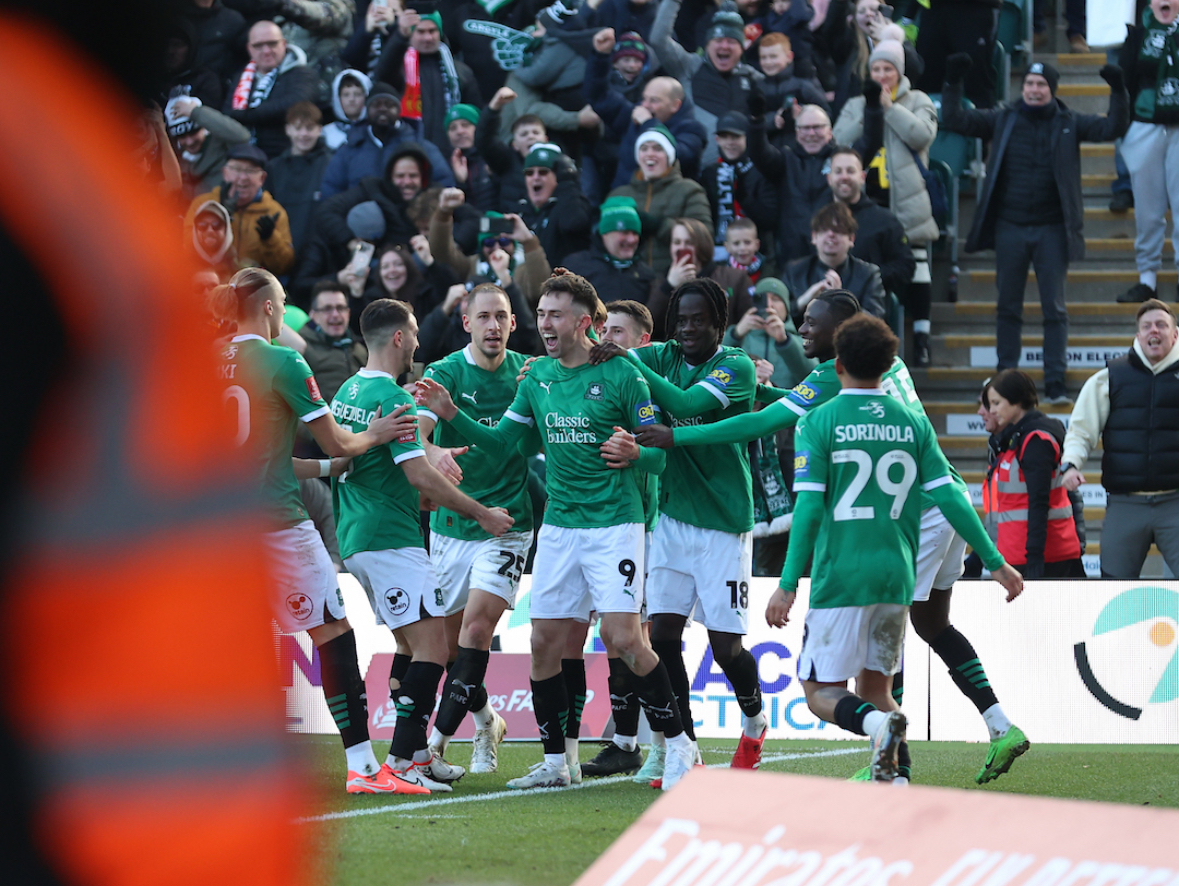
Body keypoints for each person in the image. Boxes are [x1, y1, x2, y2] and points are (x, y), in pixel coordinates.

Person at [642, 289, 1032, 784]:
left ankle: (888, 751)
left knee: (845, 680)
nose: (801, 329)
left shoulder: (823, 413)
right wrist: (995, 560)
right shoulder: (898, 387)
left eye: (811, 322)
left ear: (842, 345)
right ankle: (993, 727)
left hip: (878, 539)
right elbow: (806, 403)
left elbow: (778, 447)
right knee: (931, 626)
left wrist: (678, 435)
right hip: (941, 506)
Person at [415, 270, 699, 792]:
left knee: (622, 638)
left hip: (614, 525)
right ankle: (556, 763)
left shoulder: (622, 374)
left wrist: (637, 453)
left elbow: (660, 457)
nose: (545, 324)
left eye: (556, 315)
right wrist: (451, 413)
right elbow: (506, 444)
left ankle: (680, 745)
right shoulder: (537, 377)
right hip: (560, 528)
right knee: (543, 642)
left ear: (584, 322)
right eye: (541, 314)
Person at [766, 313, 1023, 782]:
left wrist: (787, 583)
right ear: (888, 367)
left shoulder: (818, 422)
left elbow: (808, 510)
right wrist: (996, 562)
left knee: (820, 692)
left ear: (837, 365)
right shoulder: (913, 423)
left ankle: (878, 729)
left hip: (842, 576)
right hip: (896, 575)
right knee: (877, 689)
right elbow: (952, 496)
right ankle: (897, 778)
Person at [208, 267, 420, 795]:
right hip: (276, 526)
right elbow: (340, 443)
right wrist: (375, 433)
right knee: (333, 634)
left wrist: (328, 470)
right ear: (268, 307)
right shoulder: (283, 361)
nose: (284, 311)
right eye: (282, 301)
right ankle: (364, 768)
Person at [331, 297, 515, 792]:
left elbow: (355, 463)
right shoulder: (393, 399)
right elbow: (419, 475)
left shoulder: (348, 389)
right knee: (435, 648)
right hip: (390, 538)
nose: (417, 341)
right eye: (413, 332)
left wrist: (428, 461)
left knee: (410, 644)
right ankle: (402, 762)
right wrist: (480, 512)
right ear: (398, 338)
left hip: (357, 535)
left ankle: (416, 756)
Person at [589, 278, 771, 771]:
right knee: (663, 636)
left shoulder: (734, 366)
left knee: (725, 648)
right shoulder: (662, 355)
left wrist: (628, 360)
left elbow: (687, 405)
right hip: (670, 518)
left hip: (723, 521)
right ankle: (681, 747)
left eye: (699, 320)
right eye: (681, 320)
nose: (688, 328)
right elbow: (614, 361)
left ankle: (755, 719)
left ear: (719, 324)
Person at [941, 55, 1129, 403]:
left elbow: (1112, 128)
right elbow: (954, 119)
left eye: (1041, 84)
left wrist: (1119, 89)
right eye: (1029, 83)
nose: (1034, 89)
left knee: (1054, 309)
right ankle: (1005, 379)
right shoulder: (1003, 118)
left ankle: (1055, 381)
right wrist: (953, 82)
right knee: (1007, 307)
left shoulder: (1070, 121)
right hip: (1010, 227)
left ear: (1052, 90)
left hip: (1052, 229)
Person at [417, 284, 539, 774]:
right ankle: (488, 720)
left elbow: (524, 442)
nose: (493, 325)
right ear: (466, 323)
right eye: (483, 317)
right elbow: (417, 433)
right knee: (449, 648)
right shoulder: (445, 372)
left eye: (501, 317)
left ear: (513, 323)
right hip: (451, 524)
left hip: (507, 523)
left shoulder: (529, 373)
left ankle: (434, 746)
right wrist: (433, 452)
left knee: (477, 629)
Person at [833, 40, 938, 365]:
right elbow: (838, 140)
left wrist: (889, 108)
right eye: (876, 69)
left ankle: (921, 336)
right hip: (865, 201)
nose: (881, 75)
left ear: (899, 72)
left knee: (916, 266)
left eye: (888, 69)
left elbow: (922, 135)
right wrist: (870, 109)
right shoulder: (855, 103)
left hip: (905, 198)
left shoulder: (918, 100)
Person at [1061, 299, 1179, 578]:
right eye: (1147, 326)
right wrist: (1071, 464)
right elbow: (1081, 430)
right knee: (1113, 586)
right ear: (1138, 335)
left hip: (1175, 501)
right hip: (1126, 503)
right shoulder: (1109, 378)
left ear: (1175, 334)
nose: (1154, 331)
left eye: (1161, 325)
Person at [985, 370, 1084, 579]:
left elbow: (1039, 501)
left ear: (1016, 401)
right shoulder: (1014, 438)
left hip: (1045, 559)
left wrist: (1035, 556)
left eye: (996, 403)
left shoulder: (1036, 441)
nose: (991, 410)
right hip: (1018, 554)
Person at [1117, 0, 1179, 305]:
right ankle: (1147, 280)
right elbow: (1126, 80)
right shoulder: (1137, 33)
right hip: (1144, 125)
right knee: (1147, 210)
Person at [319, 82, 455, 199]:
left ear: (399, 110)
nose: (383, 109)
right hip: (361, 219)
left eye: (389, 105)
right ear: (367, 110)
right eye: (376, 105)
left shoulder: (421, 146)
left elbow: (443, 183)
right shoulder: (349, 149)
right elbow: (331, 189)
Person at [608, 127, 713, 278]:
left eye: (658, 149)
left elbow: (704, 237)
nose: (650, 153)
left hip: (673, 278)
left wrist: (659, 226)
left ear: (669, 156)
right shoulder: (619, 194)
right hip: (629, 280)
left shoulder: (689, 190)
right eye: (644, 149)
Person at [375, 9, 481, 156]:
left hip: (451, 155)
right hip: (408, 152)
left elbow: (475, 115)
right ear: (411, 33)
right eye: (421, 32)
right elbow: (382, 75)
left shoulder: (460, 72)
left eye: (432, 31)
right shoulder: (398, 68)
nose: (427, 37)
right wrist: (400, 36)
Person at [650, 1, 764, 138]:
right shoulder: (689, 66)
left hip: (741, 151)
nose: (724, 46)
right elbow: (658, 40)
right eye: (718, 40)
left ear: (741, 49)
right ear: (707, 45)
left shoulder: (752, 77)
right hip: (695, 150)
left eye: (731, 41)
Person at [182, 143, 295, 276]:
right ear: (225, 173)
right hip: (211, 282)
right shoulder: (203, 204)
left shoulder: (273, 211)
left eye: (250, 171)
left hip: (252, 284)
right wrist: (221, 218)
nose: (243, 177)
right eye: (236, 169)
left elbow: (284, 267)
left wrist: (270, 239)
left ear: (262, 178)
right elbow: (187, 251)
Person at [747, 101, 838, 264]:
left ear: (829, 132)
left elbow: (868, 143)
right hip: (792, 255)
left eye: (817, 127)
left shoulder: (840, 160)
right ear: (796, 133)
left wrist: (873, 109)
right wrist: (757, 121)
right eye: (805, 128)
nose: (811, 133)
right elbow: (759, 153)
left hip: (833, 250)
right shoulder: (785, 160)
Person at [826, 144, 915, 307]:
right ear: (829, 178)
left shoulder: (884, 220)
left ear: (862, 177)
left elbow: (905, 267)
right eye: (838, 171)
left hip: (869, 309)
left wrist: (865, 278)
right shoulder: (817, 218)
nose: (844, 177)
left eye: (850, 171)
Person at [222, 21, 319, 159]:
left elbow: (296, 103)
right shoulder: (241, 78)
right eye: (258, 46)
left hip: (285, 157)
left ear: (284, 44)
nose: (266, 51)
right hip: (244, 156)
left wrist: (247, 115)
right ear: (249, 49)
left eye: (272, 44)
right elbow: (228, 112)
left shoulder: (301, 73)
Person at [648, 217, 756, 340]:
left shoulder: (734, 278)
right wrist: (668, 286)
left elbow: (750, 323)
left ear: (702, 245)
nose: (682, 248)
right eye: (677, 242)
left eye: (689, 243)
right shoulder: (660, 281)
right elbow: (647, 327)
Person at [782, 202, 886, 323]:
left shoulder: (868, 274)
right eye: (824, 230)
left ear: (851, 239)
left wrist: (842, 302)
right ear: (814, 237)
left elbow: (875, 321)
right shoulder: (794, 271)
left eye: (838, 230)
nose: (831, 234)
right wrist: (803, 301)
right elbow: (778, 314)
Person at [700, 112, 778, 261]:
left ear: (747, 138)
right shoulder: (709, 174)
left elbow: (770, 219)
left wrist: (745, 199)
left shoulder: (761, 171)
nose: (730, 142)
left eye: (735, 137)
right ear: (717, 140)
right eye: (724, 137)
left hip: (757, 256)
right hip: (718, 254)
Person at [563, 197, 663, 310]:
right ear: (605, 233)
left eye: (635, 233)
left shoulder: (646, 274)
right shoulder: (576, 266)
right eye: (624, 232)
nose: (631, 240)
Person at [612, 75, 709, 187]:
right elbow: (602, 98)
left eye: (654, 100)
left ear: (675, 105)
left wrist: (649, 124)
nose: (645, 105)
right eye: (644, 98)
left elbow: (678, 156)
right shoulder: (636, 116)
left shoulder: (693, 129)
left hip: (669, 195)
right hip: (624, 193)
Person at [265, 101, 332, 257]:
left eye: (309, 128)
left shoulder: (330, 164)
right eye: (298, 128)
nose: (303, 134)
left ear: (319, 130)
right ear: (288, 130)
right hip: (280, 252)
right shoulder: (274, 168)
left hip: (319, 253)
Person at [513, 143, 593, 268]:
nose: (535, 177)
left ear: (558, 176)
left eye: (543, 172)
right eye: (529, 173)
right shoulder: (519, 210)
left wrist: (567, 183)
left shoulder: (571, 203)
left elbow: (573, 223)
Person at [167, 93, 251, 199]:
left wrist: (196, 112)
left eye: (193, 133)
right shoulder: (174, 159)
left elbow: (243, 137)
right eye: (182, 136)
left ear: (205, 128)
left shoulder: (221, 144)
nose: (189, 142)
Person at [301, 282, 368, 403]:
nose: (335, 315)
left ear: (348, 313)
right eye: (327, 309)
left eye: (340, 308)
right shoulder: (302, 350)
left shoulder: (360, 349)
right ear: (314, 316)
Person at [323, 68, 372, 150]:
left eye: (357, 94)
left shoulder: (375, 130)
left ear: (366, 97)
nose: (351, 99)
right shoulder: (326, 133)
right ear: (337, 98)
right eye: (346, 95)